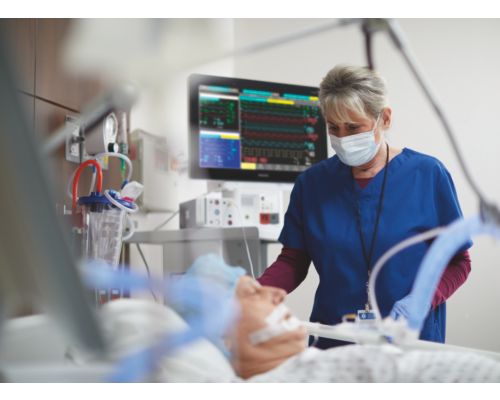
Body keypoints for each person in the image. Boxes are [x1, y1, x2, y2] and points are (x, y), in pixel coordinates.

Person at [257, 64, 472, 349]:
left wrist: (421, 300)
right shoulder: (312, 184)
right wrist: (256, 294)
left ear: (384, 118)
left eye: (353, 127)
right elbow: (293, 261)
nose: (343, 138)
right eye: (334, 127)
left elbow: (458, 262)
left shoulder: (427, 175)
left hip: (409, 340)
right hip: (335, 339)